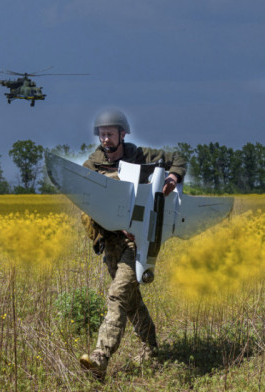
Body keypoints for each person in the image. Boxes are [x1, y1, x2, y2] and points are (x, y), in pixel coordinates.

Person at [78, 108, 186, 380]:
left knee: (117, 295)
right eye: (102, 134)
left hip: (136, 240)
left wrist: (171, 178)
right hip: (110, 241)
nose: (105, 139)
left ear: (122, 134)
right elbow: (84, 197)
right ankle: (152, 350)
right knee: (131, 302)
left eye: (110, 134)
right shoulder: (92, 165)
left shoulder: (139, 155)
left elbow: (178, 159)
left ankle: (100, 358)